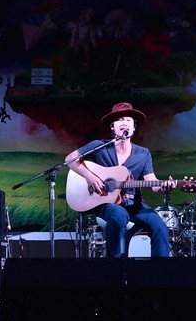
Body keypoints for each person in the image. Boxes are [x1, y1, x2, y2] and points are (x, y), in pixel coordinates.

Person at [64, 102, 178, 257]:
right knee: (118, 215)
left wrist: (163, 186)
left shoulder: (143, 153)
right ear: (112, 126)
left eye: (129, 120)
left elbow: (152, 181)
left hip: (135, 205)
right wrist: (90, 177)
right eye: (120, 120)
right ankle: (114, 264)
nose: (124, 123)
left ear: (134, 127)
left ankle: (158, 269)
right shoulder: (100, 146)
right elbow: (70, 159)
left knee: (160, 227)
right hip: (108, 204)